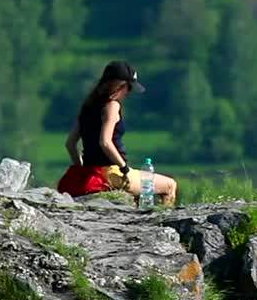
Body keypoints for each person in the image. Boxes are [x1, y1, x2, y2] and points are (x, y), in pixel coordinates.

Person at [56, 60, 178, 206]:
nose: (128, 93)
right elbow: (105, 142)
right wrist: (124, 168)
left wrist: (82, 169)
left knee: (138, 198)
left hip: (92, 172)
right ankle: (163, 223)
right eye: (129, 88)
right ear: (120, 86)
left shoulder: (87, 107)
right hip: (112, 172)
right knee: (170, 185)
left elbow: (70, 144)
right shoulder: (112, 106)